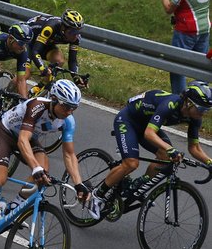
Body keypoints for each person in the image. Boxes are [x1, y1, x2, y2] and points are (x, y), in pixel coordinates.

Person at [0, 79, 86, 241]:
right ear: (53, 99)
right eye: (66, 106)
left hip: (29, 138)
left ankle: (13, 207)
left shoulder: (68, 121)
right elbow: (22, 140)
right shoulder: (37, 106)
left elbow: (69, 154)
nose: (69, 111)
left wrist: (79, 184)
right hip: (7, 134)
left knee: (44, 171)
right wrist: (35, 168)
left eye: (73, 108)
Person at [91, 83, 212, 219]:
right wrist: (170, 149)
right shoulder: (171, 104)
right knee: (131, 164)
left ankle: (138, 186)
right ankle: (97, 195)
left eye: (207, 110)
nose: (203, 113)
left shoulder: (195, 118)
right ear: (189, 103)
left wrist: (209, 162)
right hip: (128, 121)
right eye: (201, 108)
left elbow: (194, 148)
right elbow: (149, 133)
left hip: (146, 125)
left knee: (166, 158)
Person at [155, 0, 211, 93]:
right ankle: (200, 98)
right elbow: (189, 3)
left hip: (185, 32)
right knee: (201, 67)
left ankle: (179, 101)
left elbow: (169, 9)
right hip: (204, 29)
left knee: (177, 67)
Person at [26, 9, 85, 80]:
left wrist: (76, 78)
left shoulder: (76, 37)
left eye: (78, 31)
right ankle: (9, 90)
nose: (75, 35)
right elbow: (35, 51)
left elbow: (72, 60)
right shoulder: (50, 28)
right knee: (25, 75)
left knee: (59, 61)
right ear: (63, 28)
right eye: (72, 32)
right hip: (27, 41)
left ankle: (42, 87)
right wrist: (42, 68)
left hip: (44, 43)